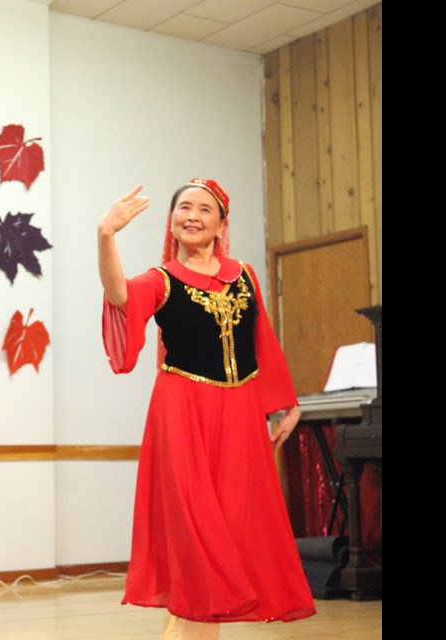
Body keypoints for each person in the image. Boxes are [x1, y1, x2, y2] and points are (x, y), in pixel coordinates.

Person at [97, 180, 315, 639]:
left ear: (221, 223)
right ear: (172, 221)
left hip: (239, 412)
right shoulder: (162, 279)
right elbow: (119, 295)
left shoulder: (246, 275)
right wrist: (106, 235)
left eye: (204, 209)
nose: (193, 216)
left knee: (234, 521)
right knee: (195, 524)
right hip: (182, 409)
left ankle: (189, 624)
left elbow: (263, 343)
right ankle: (193, 625)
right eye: (184, 208)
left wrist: (284, 404)